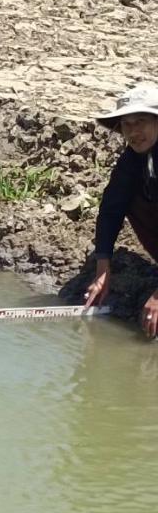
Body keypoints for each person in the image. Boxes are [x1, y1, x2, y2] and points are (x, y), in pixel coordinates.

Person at [83, 83, 158, 337]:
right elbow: (111, 209)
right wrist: (103, 267)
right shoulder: (132, 159)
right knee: (125, 195)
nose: (134, 132)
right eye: (127, 124)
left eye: (141, 121)